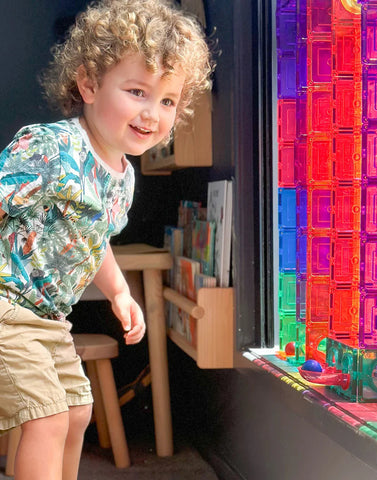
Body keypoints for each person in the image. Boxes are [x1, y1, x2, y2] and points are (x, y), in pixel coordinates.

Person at [0, 0, 213, 478]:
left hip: (48, 318)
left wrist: (120, 292)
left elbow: (93, 242)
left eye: (167, 100)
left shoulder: (122, 178)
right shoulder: (52, 147)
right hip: (5, 306)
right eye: (137, 91)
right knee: (46, 416)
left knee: (76, 411)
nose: (152, 113)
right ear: (89, 84)